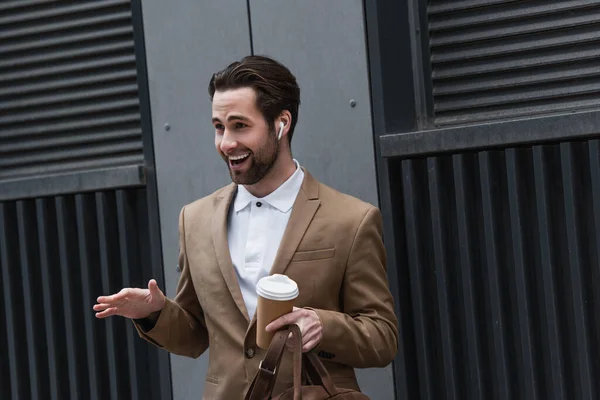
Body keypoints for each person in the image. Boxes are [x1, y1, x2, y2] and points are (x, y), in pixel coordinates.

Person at [94, 55, 399, 399]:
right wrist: (155, 313)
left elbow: (383, 338)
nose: (226, 143)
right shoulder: (194, 220)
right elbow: (195, 336)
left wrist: (322, 325)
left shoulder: (352, 219)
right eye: (219, 127)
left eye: (240, 126)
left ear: (281, 124)